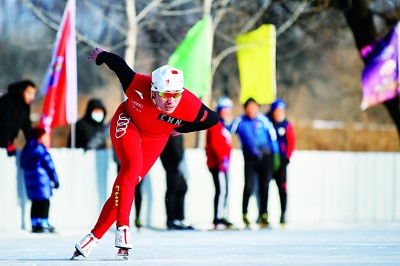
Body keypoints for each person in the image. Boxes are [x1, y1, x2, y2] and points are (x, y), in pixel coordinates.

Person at [71, 48, 219, 261]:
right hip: (128, 121)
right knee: (131, 166)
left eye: (175, 94)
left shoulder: (189, 104)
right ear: (153, 90)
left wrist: (180, 129)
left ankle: (93, 237)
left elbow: (212, 119)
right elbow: (117, 64)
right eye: (165, 95)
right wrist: (102, 56)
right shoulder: (137, 84)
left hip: (156, 137)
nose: (171, 101)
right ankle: (122, 228)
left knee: (129, 183)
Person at [230, 98, 280, 229]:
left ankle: (264, 214)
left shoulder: (263, 120)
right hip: (250, 158)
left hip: (266, 157)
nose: (251, 110)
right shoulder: (240, 121)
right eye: (248, 107)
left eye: (254, 107)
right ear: (245, 108)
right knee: (249, 186)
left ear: (258, 108)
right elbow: (226, 132)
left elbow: (273, 137)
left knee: (264, 187)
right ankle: (245, 214)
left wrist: (276, 155)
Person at [20, 126, 59, 233]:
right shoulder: (40, 148)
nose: (47, 138)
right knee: (44, 202)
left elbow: (22, 163)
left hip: (31, 182)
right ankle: (43, 223)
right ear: (39, 137)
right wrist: (55, 180)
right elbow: (49, 165)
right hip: (42, 181)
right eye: (45, 136)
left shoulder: (27, 148)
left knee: (35, 203)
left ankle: (35, 224)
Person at [205, 96, 234, 229]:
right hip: (217, 163)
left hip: (223, 163)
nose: (227, 112)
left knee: (224, 189)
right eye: (224, 109)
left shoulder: (223, 124)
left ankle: (222, 215)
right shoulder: (216, 123)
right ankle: (218, 218)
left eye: (229, 110)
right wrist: (222, 159)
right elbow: (215, 144)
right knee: (221, 190)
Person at [267, 99, 295, 225]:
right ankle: (263, 213)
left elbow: (291, 142)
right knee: (264, 187)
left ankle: (283, 213)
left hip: (282, 162)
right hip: (269, 160)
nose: (278, 114)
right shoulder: (268, 123)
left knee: (282, 188)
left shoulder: (286, 125)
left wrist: (287, 158)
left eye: (281, 111)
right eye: (276, 111)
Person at [160, 134, 192, 230]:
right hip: (172, 163)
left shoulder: (177, 128)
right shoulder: (171, 129)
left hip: (178, 162)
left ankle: (180, 217)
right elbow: (173, 146)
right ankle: (172, 219)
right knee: (173, 189)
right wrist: (179, 160)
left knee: (182, 188)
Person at [0, 80, 37, 156]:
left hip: (6, 144)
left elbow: (27, 127)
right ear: (22, 91)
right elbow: (4, 124)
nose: (32, 97)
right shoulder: (6, 102)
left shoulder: (25, 107)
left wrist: (33, 143)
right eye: (29, 93)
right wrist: (6, 142)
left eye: (34, 94)